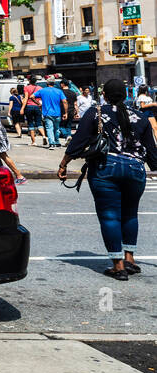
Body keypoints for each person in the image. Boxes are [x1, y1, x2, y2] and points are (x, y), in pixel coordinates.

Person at [58, 78, 157, 281]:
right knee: (130, 214)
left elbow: (79, 141)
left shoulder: (96, 113)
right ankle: (130, 258)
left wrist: (64, 163)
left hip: (105, 168)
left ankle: (118, 265)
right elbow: (153, 155)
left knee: (110, 216)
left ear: (104, 95)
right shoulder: (140, 116)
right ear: (126, 96)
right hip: (135, 169)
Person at [37, 76, 66, 148]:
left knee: (49, 128)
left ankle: (51, 143)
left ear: (47, 83)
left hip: (47, 113)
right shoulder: (59, 91)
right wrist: (65, 113)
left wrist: (39, 104)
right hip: (57, 113)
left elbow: (32, 96)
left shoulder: (42, 90)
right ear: (54, 83)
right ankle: (57, 142)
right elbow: (64, 101)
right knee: (56, 128)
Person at [22, 75, 46, 146]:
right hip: (37, 106)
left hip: (29, 106)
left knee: (30, 123)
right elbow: (42, 98)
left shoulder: (26, 87)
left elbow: (26, 98)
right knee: (39, 123)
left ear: (29, 81)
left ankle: (33, 142)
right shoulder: (40, 88)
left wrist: (22, 108)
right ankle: (44, 136)